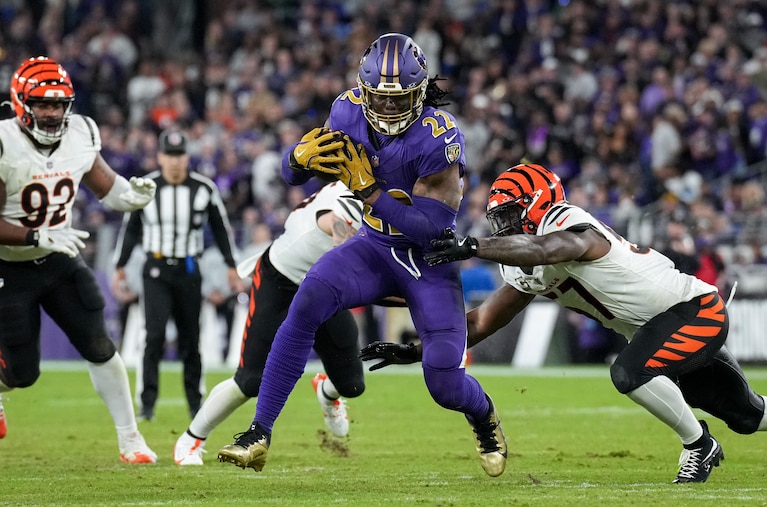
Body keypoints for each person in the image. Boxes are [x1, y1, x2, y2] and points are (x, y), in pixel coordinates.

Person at [363, 162, 767, 484]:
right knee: (747, 415)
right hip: (659, 329)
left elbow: (549, 247)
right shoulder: (527, 260)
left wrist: (473, 246)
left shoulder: (566, 224)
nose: (504, 228)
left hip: (693, 311)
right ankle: (710, 437)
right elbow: (484, 320)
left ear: (539, 204)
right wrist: (420, 348)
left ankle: (698, 445)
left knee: (630, 372)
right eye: (498, 220)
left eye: (511, 216)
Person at [218, 33, 508, 478]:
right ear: (364, 90)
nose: (389, 108)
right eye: (381, 98)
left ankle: (483, 415)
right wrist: (295, 159)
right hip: (373, 246)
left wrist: (369, 190)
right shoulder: (347, 110)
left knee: (444, 383)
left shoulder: (438, 136)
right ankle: (259, 432)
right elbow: (295, 174)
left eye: (400, 99)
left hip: (426, 263)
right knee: (307, 302)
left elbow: (430, 230)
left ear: (419, 92)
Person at [0, 56, 158, 463]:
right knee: (21, 374)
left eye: (59, 104)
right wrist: (35, 233)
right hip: (8, 265)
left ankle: (130, 439)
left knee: (99, 343)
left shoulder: (82, 132)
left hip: (57, 257)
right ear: (21, 103)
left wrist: (131, 197)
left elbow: (106, 186)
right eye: (42, 104)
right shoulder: (4, 142)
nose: (52, 113)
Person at [173, 181, 364, 465]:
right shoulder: (348, 201)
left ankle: (326, 390)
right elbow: (338, 225)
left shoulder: (383, 198)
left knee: (352, 385)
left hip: (322, 286)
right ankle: (191, 439)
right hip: (281, 281)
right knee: (250, 381)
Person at [112, 129, 245, 421]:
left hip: (188, 269)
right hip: (156, 269)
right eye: (169, 155)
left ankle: (195, 404)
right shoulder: (146, 187)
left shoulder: (203, 188)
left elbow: (221, 228)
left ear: (187, 157)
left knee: (190, 338)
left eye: (179, 155)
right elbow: (130, 228)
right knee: (154, 336)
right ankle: (147, 404)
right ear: (160, 157)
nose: (174, 161)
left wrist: (231, 266)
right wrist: (120, 266)